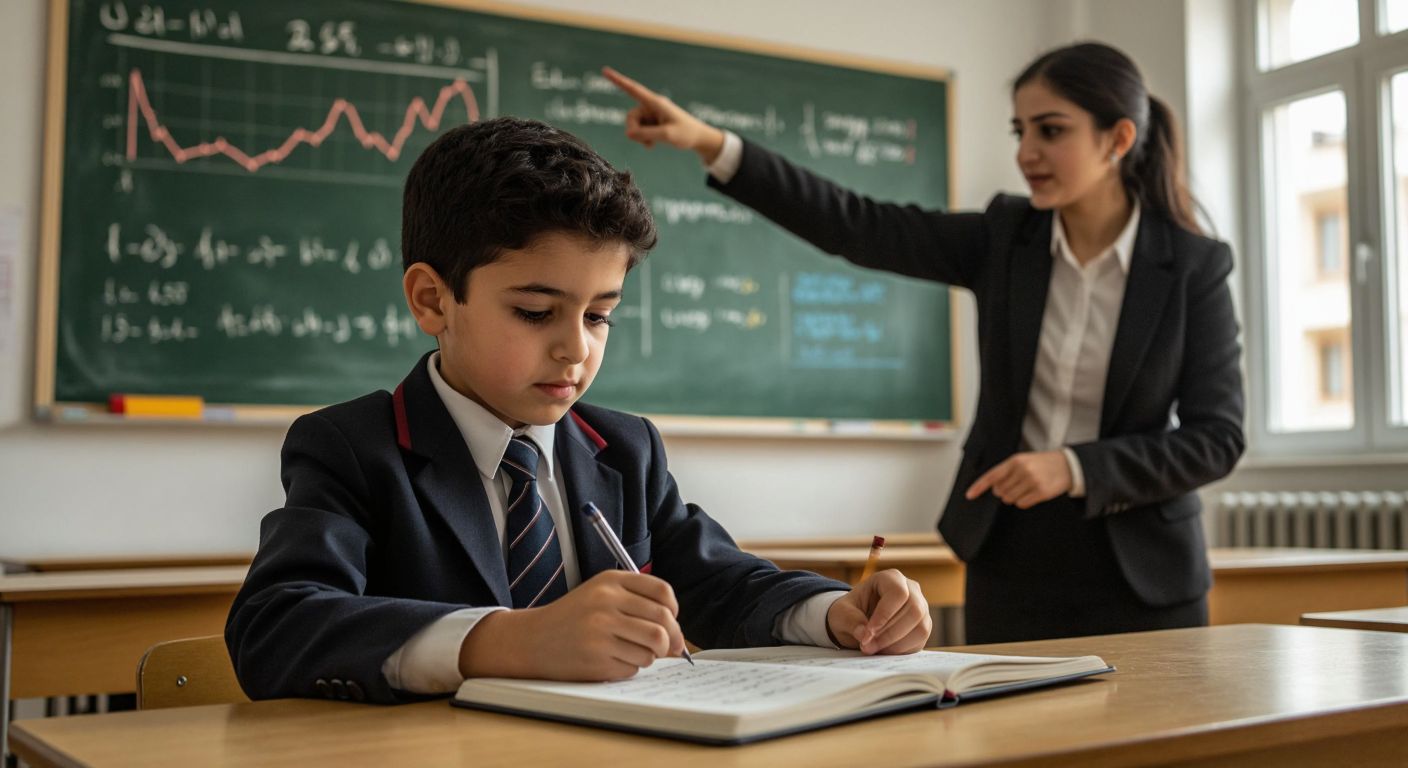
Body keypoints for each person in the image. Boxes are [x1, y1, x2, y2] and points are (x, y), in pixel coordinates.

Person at [225, 117, 932, 704]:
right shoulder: (353, 447)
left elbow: (719, 581)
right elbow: (275, 627)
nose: (575, 350)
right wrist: (506, 640)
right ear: (433, 300)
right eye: (536, 312)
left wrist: (834, 614)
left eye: (600, 317)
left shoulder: (622, 448)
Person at [603, 41, 1244, 644]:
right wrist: (712, 144)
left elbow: (1217, 437)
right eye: (1021, 132)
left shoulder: (1192, 266)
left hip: (1145, 568)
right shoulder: (1005, 238)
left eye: (1052, 130)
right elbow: (858, 225)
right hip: (1013, 553)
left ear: (1118, 139)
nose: (1028, 153)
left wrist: (1073, 466)